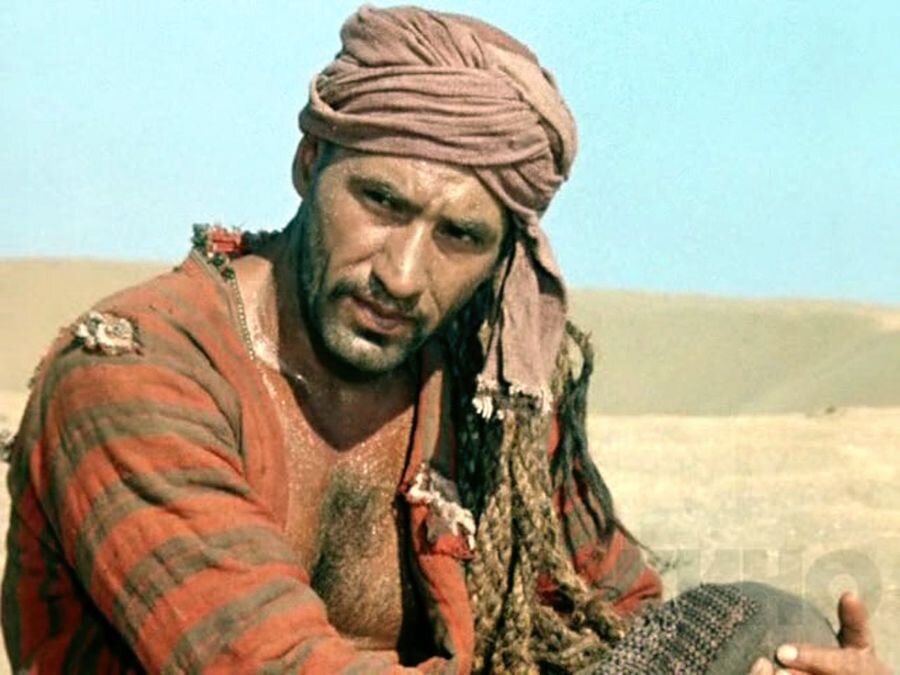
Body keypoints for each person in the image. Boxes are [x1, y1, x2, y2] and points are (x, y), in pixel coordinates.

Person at [1, 6, 889, 674]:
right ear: (309, 165)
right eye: (381, 202)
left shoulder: (490, 394)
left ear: (505, 256)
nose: (401, 274)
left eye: (460, 236)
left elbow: (618, 619)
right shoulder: (136, 377)